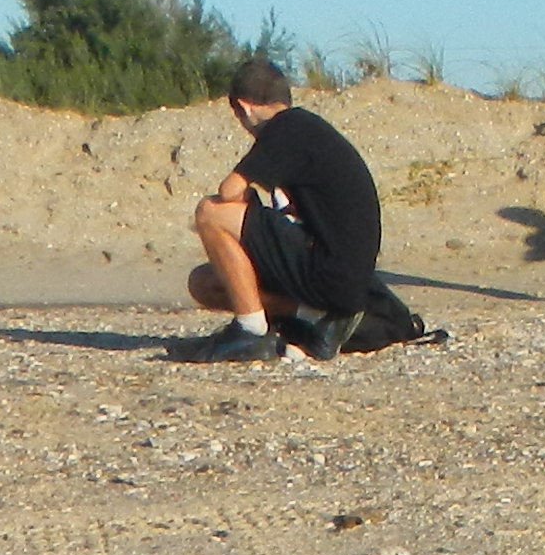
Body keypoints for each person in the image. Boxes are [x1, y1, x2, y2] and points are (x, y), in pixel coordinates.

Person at [172, 56, 405, 361]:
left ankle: (250, 330)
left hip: (330, 272)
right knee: (206, 283)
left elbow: (229, 191)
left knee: (209, 212)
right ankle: (311, 316)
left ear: (245, 107)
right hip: (342, 276)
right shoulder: (306, 130)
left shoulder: (287, 129)